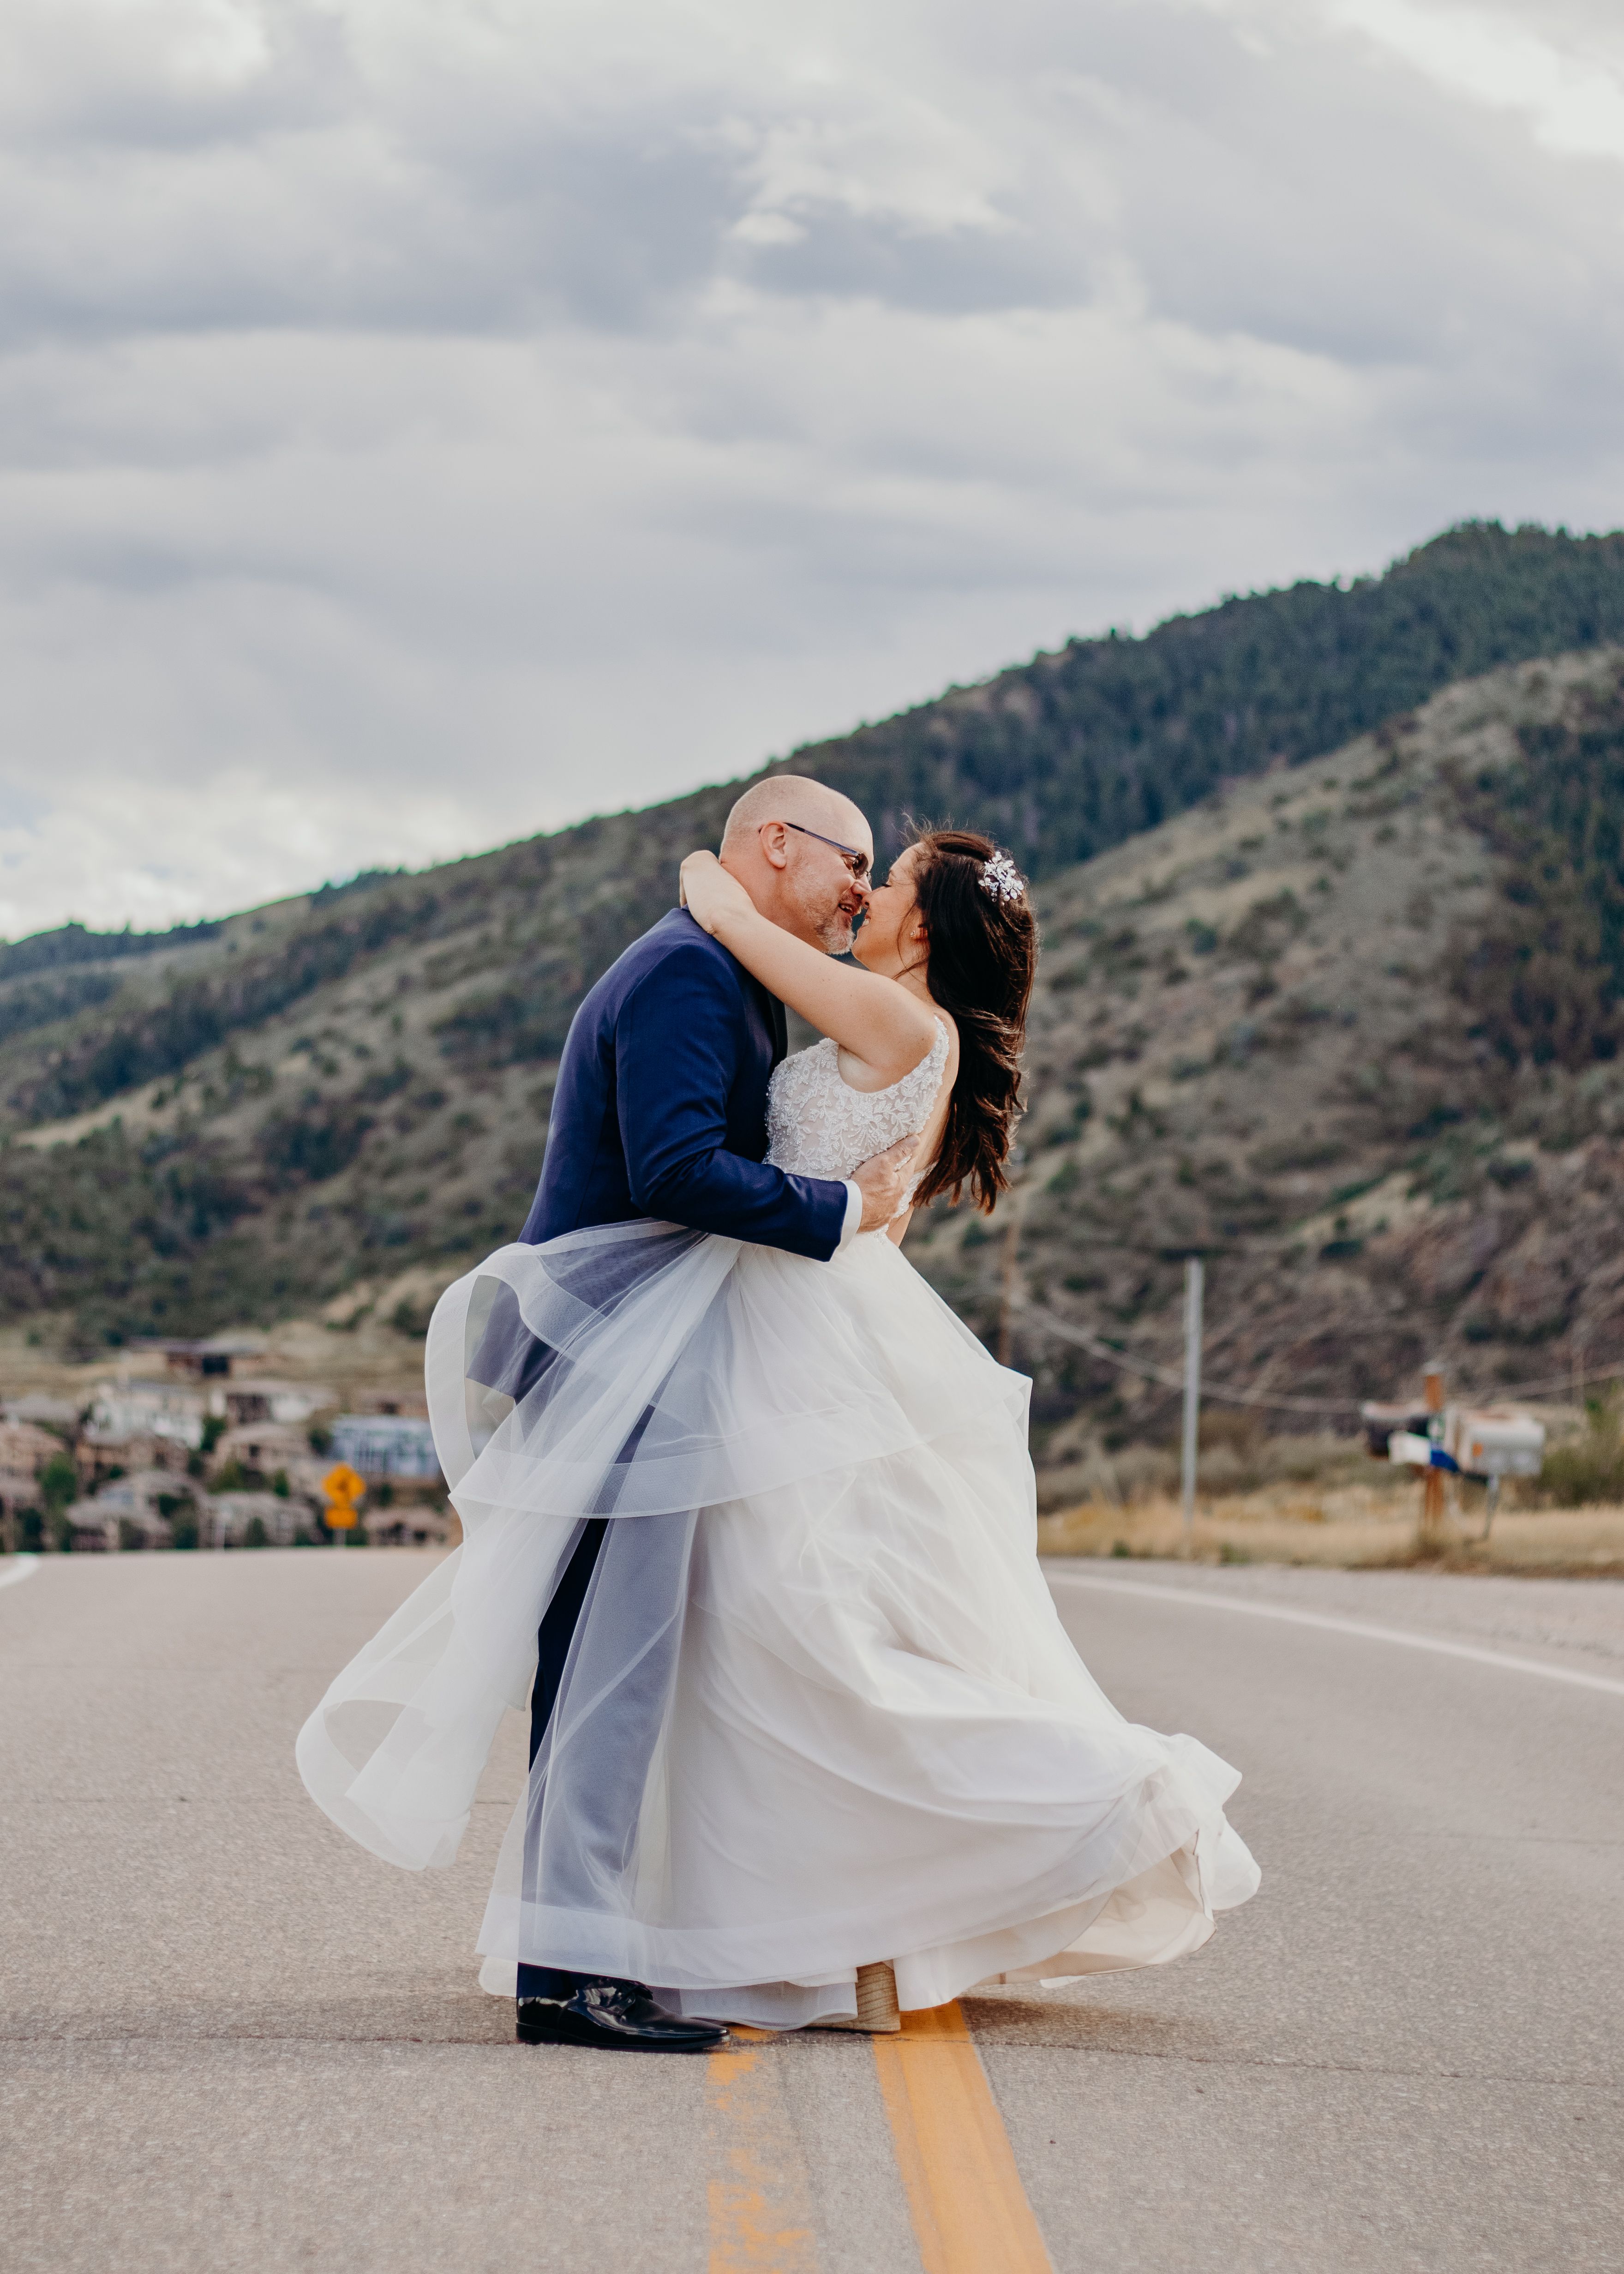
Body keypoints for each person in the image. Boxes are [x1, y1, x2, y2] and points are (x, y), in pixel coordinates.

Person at [298, 796, 1259, 2051]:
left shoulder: (821, 990)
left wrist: (711, 884)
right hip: (682, 1343)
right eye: (855, 865)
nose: (865, 891)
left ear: (927, 928)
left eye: (885, 877)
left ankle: (639, 1947)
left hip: (751, 1348)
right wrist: (838, 1200)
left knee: (739, 1652)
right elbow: (696, 1166)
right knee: (698, 1656)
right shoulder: (713, 977)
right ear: (779, 846)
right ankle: (649, 1949)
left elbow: (748, 1013)